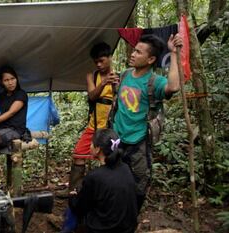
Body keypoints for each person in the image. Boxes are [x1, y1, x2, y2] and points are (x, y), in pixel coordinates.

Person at [113, 34, 182, 211]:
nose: (133, 54)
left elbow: (173, 87)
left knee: (138, 184)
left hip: (138, 143)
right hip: (117, 139)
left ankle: (130, 217)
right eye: (134, 50)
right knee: (114, 180)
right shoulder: (125, 74)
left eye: (138, 52)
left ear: (151, 59)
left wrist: (173, 53)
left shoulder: (155, 82)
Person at [68, 42, 119, 192]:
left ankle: (106, 189)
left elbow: (120, 100)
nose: (98, 64)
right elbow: (92, 96)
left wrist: (115, 85)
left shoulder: (119, 75)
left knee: (107, 158)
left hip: (109, 127)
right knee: (78, 154)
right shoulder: (92, 76)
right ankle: (74, 189)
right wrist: (103, 83)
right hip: (93, 125)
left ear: (110, 58)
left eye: (101, 60)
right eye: (96, 61)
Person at [69, 128, 138, 233]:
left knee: (76, 208)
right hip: (128, 228)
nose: (90, 146)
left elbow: (80, 208)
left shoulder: (94, 176)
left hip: (103, 229)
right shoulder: (126, 168)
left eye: (91, 143)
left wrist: (73, 197)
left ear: (97, 149)